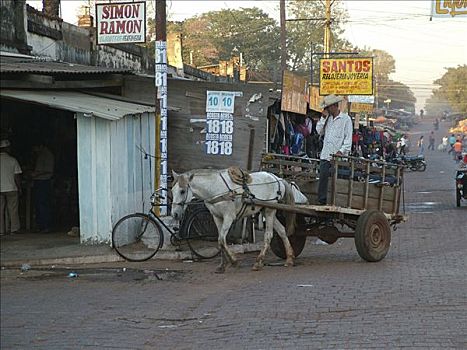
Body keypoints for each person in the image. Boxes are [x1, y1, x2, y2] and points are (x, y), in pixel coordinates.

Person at [316, 95, 352, 205]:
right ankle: (322, 200)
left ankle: (338, 201)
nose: (326, 110)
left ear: (334, 106)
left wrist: (341, 152)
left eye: (328, 107)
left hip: (339, 157)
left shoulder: (346, 119)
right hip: (326, 155)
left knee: (338, 180)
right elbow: (318, 131)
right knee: (323, 177)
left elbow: (348, 139)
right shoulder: (327, 119)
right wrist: (322, 118)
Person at [0, 140, 22, 235]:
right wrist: (19, 187)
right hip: (11, 188)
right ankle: (14, 229)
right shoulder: (13, 160)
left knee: (0, 210)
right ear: (7, 149)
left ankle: (1, 230)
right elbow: (17, 176)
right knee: (12, 209)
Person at [31, 142, 54, 233]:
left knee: (42, 203)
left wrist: (35, 174)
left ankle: (45, 226)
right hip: (39, 181)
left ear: (41, 146)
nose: (34, 150)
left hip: (44, 181)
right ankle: (41, 225)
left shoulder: (47, 155)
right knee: (39, 203)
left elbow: (49, 171)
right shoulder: (41, 155)